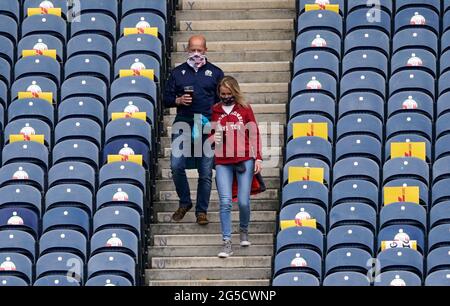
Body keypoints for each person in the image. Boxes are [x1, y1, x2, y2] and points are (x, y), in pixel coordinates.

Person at [163, 35, 224, 225]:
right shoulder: (177, 72)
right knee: (176, 165)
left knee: (205, 171)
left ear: (205, 50)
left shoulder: (215, 72)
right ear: (187, 49)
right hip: (184, 122)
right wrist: (177, 101)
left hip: (206, 124)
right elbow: (165, 98)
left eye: (199, 49)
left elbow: (223, 100)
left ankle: (201, 211)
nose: (196, 53)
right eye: (192, 49)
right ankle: (185, 202)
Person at [211, 76, 263, 258]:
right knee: (225, 202)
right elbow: (209, 137)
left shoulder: (245, 108)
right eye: (222, 93)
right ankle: (226, 242)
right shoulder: (215, 110)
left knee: (243, 201)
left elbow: (254, 132)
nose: (225, 96)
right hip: (222, 159)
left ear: (235, 92)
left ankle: (243, 229)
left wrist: (258, 158)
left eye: (228, 93)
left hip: (244, 157)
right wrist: (214, 137)